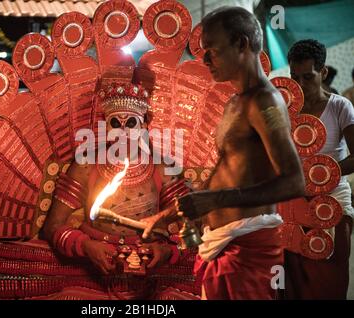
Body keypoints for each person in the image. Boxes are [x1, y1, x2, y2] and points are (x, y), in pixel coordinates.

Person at [142, 7, 306, 300]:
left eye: (212, 50)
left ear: (241, 44)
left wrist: (216, 199)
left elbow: (294, 181)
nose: (204, 60)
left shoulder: (264, 101)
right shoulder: (236, 101)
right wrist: (175, 212)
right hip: (222, 245)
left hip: (248, 250)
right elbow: (228, 171)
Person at [41, 82, 199, 300]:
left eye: (131, 122)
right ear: (106, 125)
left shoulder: (163, 168)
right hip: (94, 265)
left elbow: (190, 230)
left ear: (144, 125)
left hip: (150, 267)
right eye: (116, 122)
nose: (124, 131)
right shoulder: (87, 165)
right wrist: (86, 246)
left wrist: (168, 252)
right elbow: (53, 226)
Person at [281, 39, 354, 299]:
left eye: (307, 77)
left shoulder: (339, 106)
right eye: (294, 77)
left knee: (328, 282)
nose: (299, 85)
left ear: (323, 73)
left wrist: (321, 174)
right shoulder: (284, 109)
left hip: (331, 202)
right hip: (290, 204)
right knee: (290, 285)